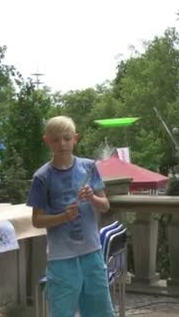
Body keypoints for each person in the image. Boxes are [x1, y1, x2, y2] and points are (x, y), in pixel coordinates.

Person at [26, 116, 116, 317]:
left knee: (100, 311)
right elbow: (37, 220)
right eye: (56, 139)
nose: (62, 144)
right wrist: (62, 217)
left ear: (75, 138)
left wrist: (92, 197)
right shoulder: (42, 177)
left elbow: (105, 206)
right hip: (61, 258)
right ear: (47, 141)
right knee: (62, 313)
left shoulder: (89, 167)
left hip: (92, 252)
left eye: (66, 138)